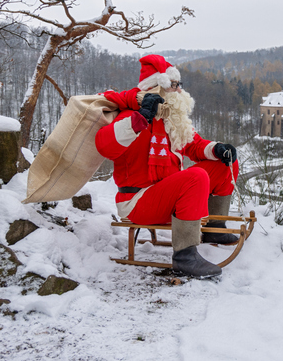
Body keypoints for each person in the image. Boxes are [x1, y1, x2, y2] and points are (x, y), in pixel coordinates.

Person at [95, 54, 239, 277]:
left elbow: (195, 145)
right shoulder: (131, 115)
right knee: (196, 176)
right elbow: (104, 146)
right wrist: (140, 119)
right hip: (138, 200)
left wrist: (217, 148)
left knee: (225, 162)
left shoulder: (172, 119)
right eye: (173, 85)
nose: (179, 90)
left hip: (167, 195)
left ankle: (214, 229)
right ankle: (184, 256)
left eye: (178, 84)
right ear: (156, 88)